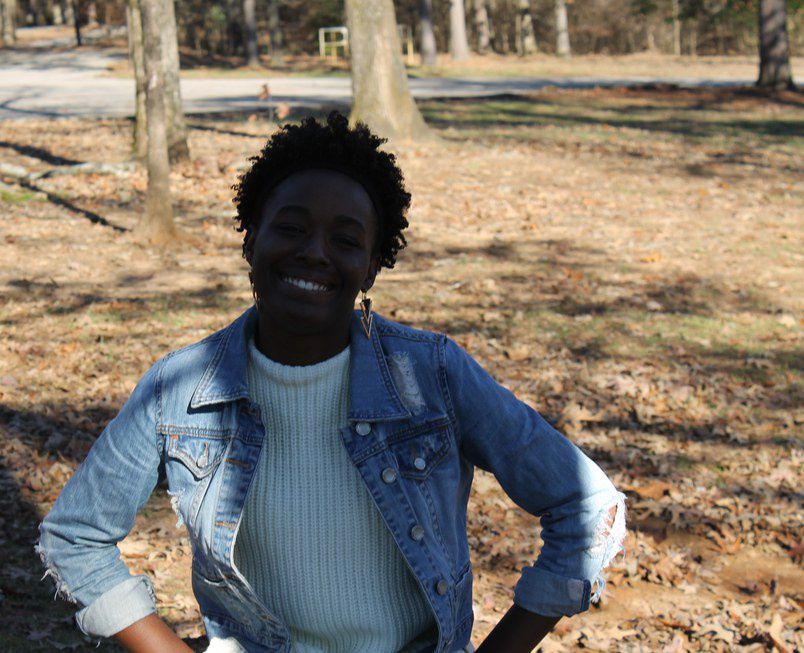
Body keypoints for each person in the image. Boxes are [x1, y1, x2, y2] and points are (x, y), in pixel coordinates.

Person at [35, 112, 627, 653]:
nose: (315, 253)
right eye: (291, 228)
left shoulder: (432, 375)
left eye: (345, 240)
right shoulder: (181, 389)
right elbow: (76, 535)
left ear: (371, 266)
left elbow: (585, 505)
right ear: (251, 239)